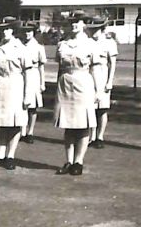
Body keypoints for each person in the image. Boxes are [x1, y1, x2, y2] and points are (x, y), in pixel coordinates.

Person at [54, 10, 96, 176]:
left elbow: (95, 69)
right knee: (68, 123)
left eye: (78, 21)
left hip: (84, 82)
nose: (74, 24)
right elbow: (59, 68)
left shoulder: (91, 44)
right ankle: (69, 160)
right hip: (65, 84)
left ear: (84, 23)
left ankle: (79, 161)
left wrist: (98, 91)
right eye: (72, 21)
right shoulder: (62, 44)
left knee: (83, 123)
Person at [0, 16, 27, 170]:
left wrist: (28, 94)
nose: (5, 32)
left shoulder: (21, 48)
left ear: (14, 30)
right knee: (2, 122)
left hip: (15, 84)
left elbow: (27, 71)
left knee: (15, 122)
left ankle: (11, 156)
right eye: (2, 29)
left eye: (8, 28)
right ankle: (0, 155)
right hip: (0, 85)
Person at [88, 17, 118, 148]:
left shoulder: (109, 43)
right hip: (89, 74)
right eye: (92, 29)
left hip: (102, 73)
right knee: (91, 107)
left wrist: (110, 81)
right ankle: (91, 135)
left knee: (103, 108)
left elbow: (113, 63)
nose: (94, 32)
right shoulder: (87, 42)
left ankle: (100, 136)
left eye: (96, 29)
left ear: (102, 29)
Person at [20, 21, 46, 144]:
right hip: (21, 76)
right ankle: (22, 131)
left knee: (32, 106)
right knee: (22, 105)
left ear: (34, 33)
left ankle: (30, 132)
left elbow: (41, 66)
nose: (27, 34)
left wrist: (42, 83)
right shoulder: (19, 46)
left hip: (33, 76)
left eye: (29, 31)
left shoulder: (39, 47)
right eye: (25, 31)